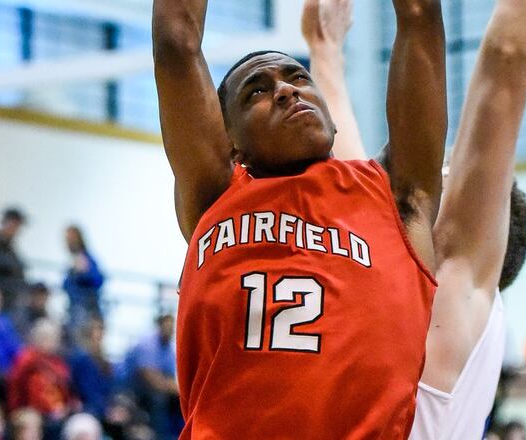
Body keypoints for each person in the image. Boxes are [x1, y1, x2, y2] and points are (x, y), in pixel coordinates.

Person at [153, 0, 447, 437]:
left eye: (299, 78)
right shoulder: (213, 195)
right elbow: (176, 42)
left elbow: (420, 16)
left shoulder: (396, 194)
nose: (288, 91)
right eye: (257, 90)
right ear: (230, 141)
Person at [301, 0, 526, 437]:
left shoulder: (454, 283)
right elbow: (356, 176)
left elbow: (507, 55)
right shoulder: (417, 291)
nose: (424, 187)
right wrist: (325, 52)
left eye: (442, 183)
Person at [7, 319, 76, 439]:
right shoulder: (26, 359)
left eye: (54, 338)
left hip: (58, 412)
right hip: (30, 410)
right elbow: (15, 387)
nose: (51, 341)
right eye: (46, 337)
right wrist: (16, 410)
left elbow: (66, 391)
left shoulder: (59, 363)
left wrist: (68, 406)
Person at [122, 314, 181, 440]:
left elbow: (170, 377)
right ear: (159, 325)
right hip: (131, 388)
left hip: (155, 387)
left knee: (179, 400)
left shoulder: (169, 348)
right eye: (167, 325)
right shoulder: (147, 343)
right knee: (158, 399)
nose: (170, 329)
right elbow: (149, 377)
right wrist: (174, 388)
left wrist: (178, 391)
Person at [67, 317, 113, 420]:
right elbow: (86, 391)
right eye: (97, 332)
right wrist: (106, 410)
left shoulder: (103, 359)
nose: (100, 335)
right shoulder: (81, 358)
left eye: (102, 331)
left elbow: (108, 389)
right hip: (87, 408)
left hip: (102, 405)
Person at [63, 225, 105, 332]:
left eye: (69, 239)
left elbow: (98, 280)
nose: (67, 243)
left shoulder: (84, 258)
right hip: (76, 309)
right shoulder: (76, 259)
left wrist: (84, 272)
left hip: (84, 311)